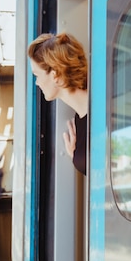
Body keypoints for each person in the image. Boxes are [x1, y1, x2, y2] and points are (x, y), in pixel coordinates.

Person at [28, 32, 88, 175]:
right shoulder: (78, 121)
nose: (36, 83)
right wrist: (77, 158)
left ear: (55, 75)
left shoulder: (103, 113)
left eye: (37, 75)